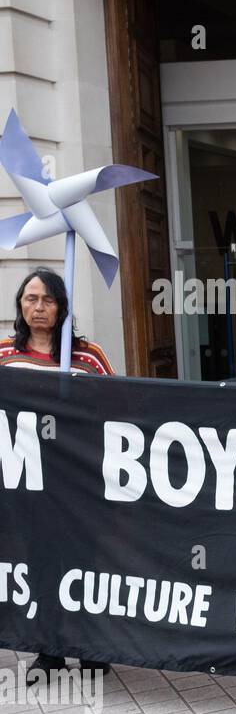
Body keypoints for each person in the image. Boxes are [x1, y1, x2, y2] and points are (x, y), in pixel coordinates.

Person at [0, 268, 113, 684]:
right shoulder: (5, 356)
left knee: (86, 566)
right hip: (30, 488)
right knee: (42, 565)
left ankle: (91, 649)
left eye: (48, 299)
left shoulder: (88, 356)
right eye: (30, 299)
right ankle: (50, 651)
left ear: (62, 306)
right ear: (20, 306)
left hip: (80, 486)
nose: (38, 307)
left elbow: (118, 411)